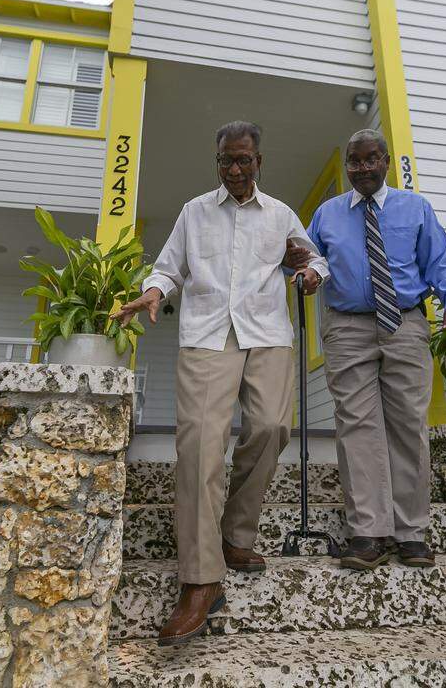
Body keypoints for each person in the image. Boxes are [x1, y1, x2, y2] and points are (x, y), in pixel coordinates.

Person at [112, 120, 327, 646]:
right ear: (217, 161)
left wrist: (311, 271)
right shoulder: (193, 211)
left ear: (259, 163)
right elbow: (169, 268)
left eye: (244, 161)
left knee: (273, 427)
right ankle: (201, 580)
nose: (234, 169)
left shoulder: (279, 214)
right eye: (226, 161)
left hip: (268, 333)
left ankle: (235, 535)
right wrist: (155, 292)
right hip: (208, 335)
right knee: (201, 447)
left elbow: (311, 256)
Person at [299, 128, 446, 571]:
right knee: (357, 425)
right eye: (354, 162)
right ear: (347, 167)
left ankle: (411, 531)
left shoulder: (416, 208)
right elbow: (308, 259)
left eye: (371, 159)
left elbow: (440, 262)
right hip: (347, 326)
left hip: (406, 324)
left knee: (408, 424)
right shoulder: (328, 213)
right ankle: (368, 530)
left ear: (386, 161)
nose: (363, 168)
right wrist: (307, 275)